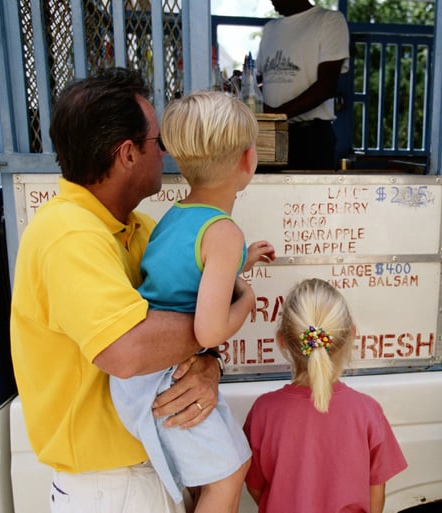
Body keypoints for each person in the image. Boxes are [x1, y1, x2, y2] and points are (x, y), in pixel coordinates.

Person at [10, 68, 223, 513]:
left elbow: (182, 329)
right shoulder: (67, 234)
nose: (165, 154)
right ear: (127, 153)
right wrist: (219, 323)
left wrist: (208, 365)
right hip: (112, 487)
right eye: (157, 143)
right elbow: (128, 349)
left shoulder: (138, 229)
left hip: (149, 467)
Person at [109, 91, 276, 513]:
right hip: (163, 377)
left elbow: (187, 276)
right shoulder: (224, 233)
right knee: (230, 472)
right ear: (247, 159)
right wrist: (248, 300)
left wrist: (242, 260)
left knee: (211, 477)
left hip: (144, 378)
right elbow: (209, 330)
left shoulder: (177, 215)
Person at [243, 278, 408, 513]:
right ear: (351, 335)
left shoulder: (263, 412)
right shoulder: (368, 411)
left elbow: (255, 486)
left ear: (282, 340)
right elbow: (375, 497)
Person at [257, 0, 350, 170]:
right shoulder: (270, 28)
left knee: (306, 195)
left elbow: (327, 85)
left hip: (310, 136)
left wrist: (278, 114)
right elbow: (263, 80)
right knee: (267, 193)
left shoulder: (329, 21)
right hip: (270, 134)